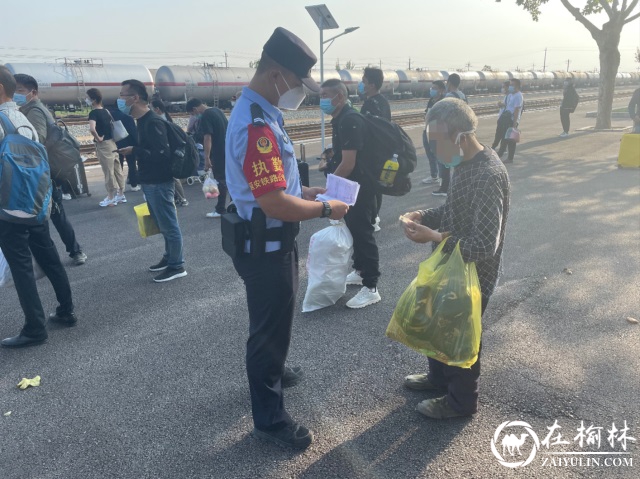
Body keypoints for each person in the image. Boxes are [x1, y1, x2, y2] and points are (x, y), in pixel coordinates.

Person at [225, 27, 348, 450]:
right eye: (297, 83)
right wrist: (327, 208)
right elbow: (275, 203)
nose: (300, 92)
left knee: (271, 323)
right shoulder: (258, 125)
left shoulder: (261, 113)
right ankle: (270, 420)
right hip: (267, 244)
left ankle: (271, 370)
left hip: (267, 240)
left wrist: (306, 193)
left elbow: (277, 188)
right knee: (268, 328)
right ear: (277, 74)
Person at [400, 97, 510, 419]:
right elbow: (452, 211)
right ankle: (437, 379)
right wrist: (424, 215)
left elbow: (484, 245)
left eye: (436, 143)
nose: (434, 151)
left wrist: (433, 237)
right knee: (438, 326)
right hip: (449, 267)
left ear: (460, 137)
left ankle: (462, 402)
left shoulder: (489, 175)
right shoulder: (462, 164)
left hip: (475, 275)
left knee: (461, 338)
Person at [0, 66, 77, 348]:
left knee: (21, 267)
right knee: (50, 258)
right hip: (35, 201)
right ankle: (66, 310)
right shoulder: (23, 118)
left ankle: (34, 328)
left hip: (8, 206)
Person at [115, 79, 187, 283]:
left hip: (160, 182)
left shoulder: (152, 121)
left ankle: (177, 265)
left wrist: (135, 151)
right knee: (163, 224)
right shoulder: (143, 121)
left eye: (122, 95)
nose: (119, 100)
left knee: (169, 224)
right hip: (151, 182)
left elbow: (162, 154)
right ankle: (169, 257)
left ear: (134, 98)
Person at [14, 74, 87, 266]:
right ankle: (72, 252)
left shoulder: (34, 110)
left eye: (20, 91)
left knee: (51, 214)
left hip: (45, 173)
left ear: (33, 92)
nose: (16, 95)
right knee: (54, 214)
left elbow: (36, 139)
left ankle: (71, 253)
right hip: (46, 171)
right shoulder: (30, 108)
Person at [321, 78, 382, 309]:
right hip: (351, 186)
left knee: (363, 233)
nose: (322, 100)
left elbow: (348, 164)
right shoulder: (341, 118)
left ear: (340, 96)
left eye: (326, 95)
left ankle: (371, 286)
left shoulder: (350, 120)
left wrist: (330, 192)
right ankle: (360, 270)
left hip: (360, 188)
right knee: (354, 230)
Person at [359, 67, 391, 233]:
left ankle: (371, 219)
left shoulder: (371, 104)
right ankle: (375, 217)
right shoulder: (383, 102)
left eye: (363, 81)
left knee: (369, 188)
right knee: (377, 188)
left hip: (371, 154)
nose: (361, 84)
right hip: (382, 151)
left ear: (371, 85)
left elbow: (365, 130)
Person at [186, 98, 229, 218]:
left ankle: (220, 209)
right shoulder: (217, 111)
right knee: (228, 180)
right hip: (227, 150)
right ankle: (232, 206)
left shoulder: (205, 116)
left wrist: (207, 158)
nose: (194, 116)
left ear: (194, 109)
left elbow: (207, 138)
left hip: (218, 152)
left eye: (192, 113)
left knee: (221, 181)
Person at [87, 88, 126, 207]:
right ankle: (121, 194)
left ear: (93, 100)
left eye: (87, 97)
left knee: (108, 171)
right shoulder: (106, 111)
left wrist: (98, 138)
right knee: (117, 170)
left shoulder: (93, 113)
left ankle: (110, 197)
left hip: (103, 145)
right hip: (113, 143)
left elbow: (92, 129)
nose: (86, 100)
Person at [151, 100, 188, 207]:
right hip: (171, 152)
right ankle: (178, 198)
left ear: (157, 109)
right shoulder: (165, 118)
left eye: (151, 107)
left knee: (173, 177)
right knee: (172, 177)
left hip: (169, 153)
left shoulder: (161, 120)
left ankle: (182, 198)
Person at [109, 102, 140, 192]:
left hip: (115, 144)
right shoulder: (127, 117)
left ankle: (119, 186)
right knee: (132, 164)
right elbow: (134, 133)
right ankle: (133, 185)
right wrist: (136, 144)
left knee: (118, 165)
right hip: (128, 143)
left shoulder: (108, 117)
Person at [421, 80, 446, 186]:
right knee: (430, 154)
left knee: (439, 155)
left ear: (441, 90)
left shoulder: (443, 101)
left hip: (437, 130)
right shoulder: (431, 100)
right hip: (427, 129)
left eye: (435, 88)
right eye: (432, 88)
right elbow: (427, 112)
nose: (432, 90)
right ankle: (433, 176)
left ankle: (442, 178)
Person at [496, 78, 523, 164]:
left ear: (517, 86)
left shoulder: (518, 96)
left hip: (512, 120)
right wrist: (501, 104)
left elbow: (516, 110)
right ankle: (500, 154)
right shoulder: (511, 95)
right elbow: (508, 105)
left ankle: (509, 158)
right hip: (506, 119)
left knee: (511, 140)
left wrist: (514, 125)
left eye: (512, 85)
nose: (510, 86)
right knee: (505, 138)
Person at [491, 81, 512, 150]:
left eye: (503, 87)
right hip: (502, 118)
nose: (502, 89)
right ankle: (501, 148)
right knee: (501, 134)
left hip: (505, 119)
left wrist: (502, 104)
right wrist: (501, 105)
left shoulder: (510, 96)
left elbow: (509, 107)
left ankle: (494, 147)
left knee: (500, 134)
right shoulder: (507, 95)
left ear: (508, 87)